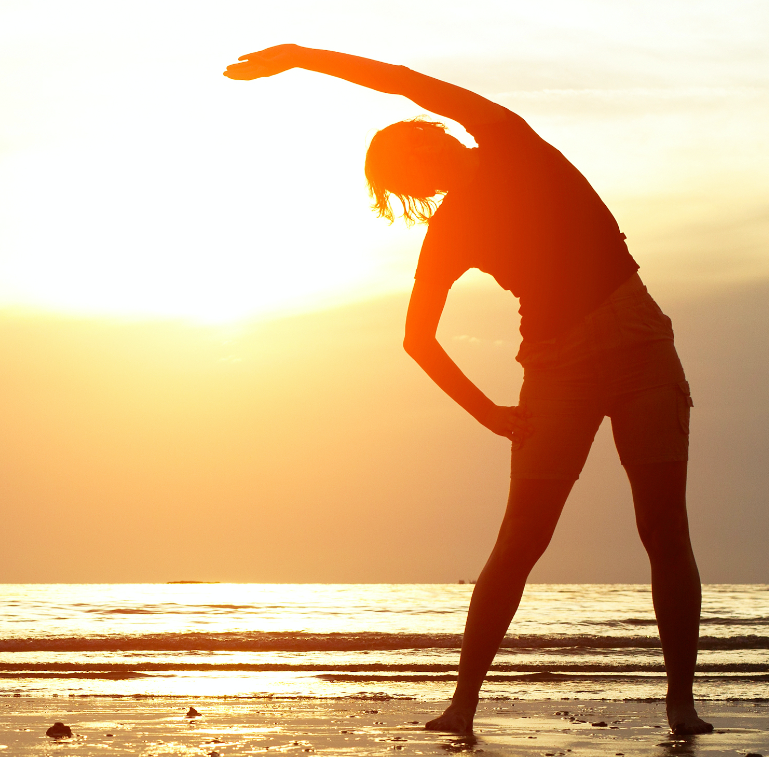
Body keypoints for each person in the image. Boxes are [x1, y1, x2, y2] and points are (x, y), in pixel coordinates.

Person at [224, 45, 712, 735]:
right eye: (408, 178)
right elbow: (416, 337)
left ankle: (680, 703)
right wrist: (488, 413)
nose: (423, 176)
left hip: (638, 345)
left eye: (417, 157)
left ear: (434, 135)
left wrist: (300, 58)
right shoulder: (450, 227)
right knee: (520, 538)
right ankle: (462, 702)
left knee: (663, 529)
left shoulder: (507, 138)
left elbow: (400, 80)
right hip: (555, 366)